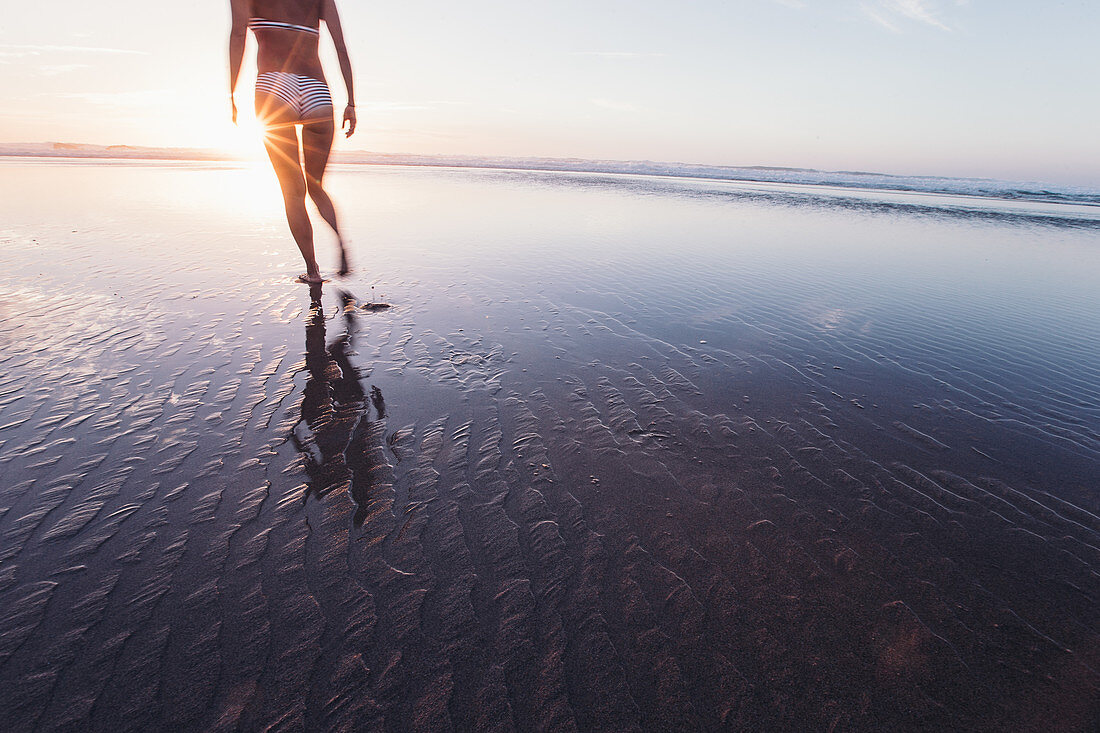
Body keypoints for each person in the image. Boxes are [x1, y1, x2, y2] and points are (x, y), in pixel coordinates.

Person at [229, 0, 356, 283]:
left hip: (274, 87)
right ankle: (342, 246)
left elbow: (238, 36)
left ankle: (312, 270)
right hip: (317, 90)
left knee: (292, 191)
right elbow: (341, 47)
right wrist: (351, 102)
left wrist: (232, 94)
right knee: (316, 186)